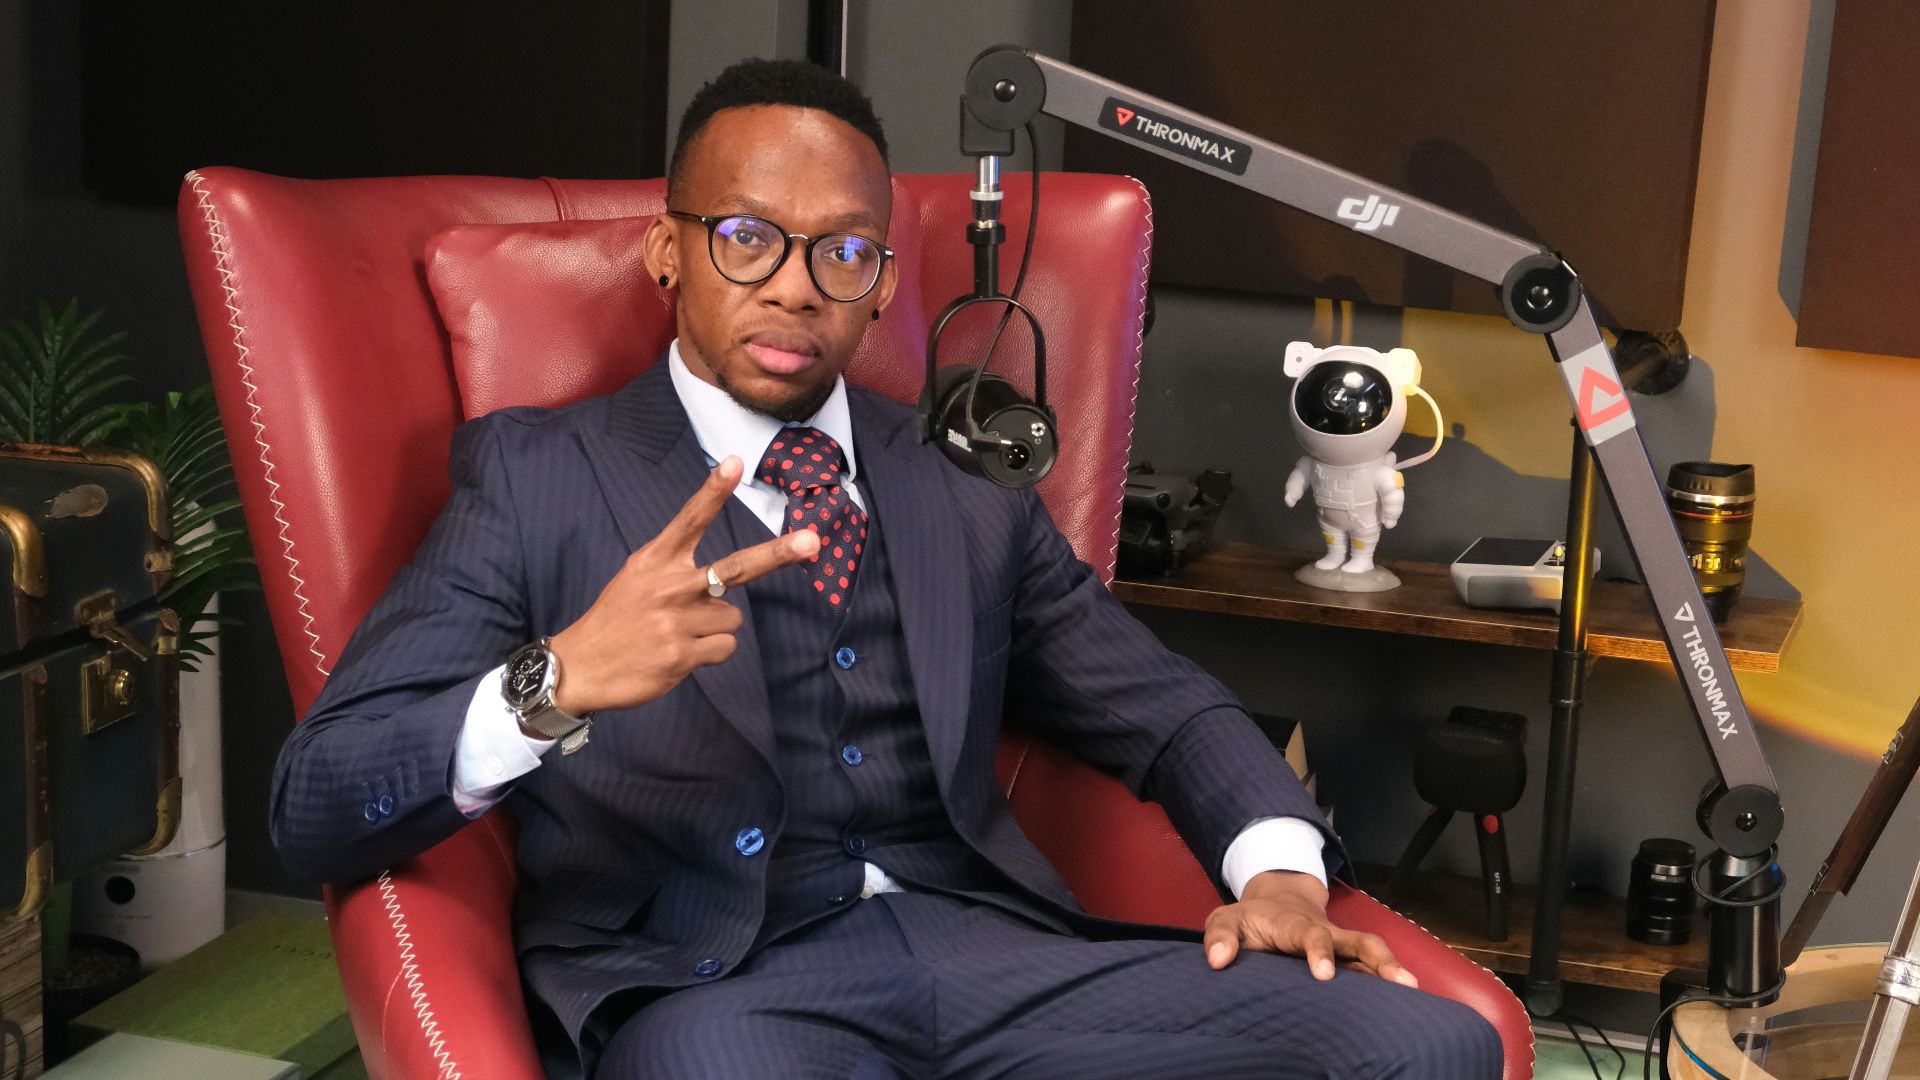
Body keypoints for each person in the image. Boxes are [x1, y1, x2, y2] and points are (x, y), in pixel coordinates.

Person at [270, 58, 1501, 1079]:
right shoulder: (536, 475)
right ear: (666, 251)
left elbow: (1165, 710)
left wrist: (1280, 877)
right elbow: (316, 800)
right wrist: (558, 681)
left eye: (843, 254)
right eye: (745, 239)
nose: (794, 289)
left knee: (1425, 1047)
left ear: (882, 289)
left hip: (998, 960)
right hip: (721, 993)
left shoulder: (962, 485)